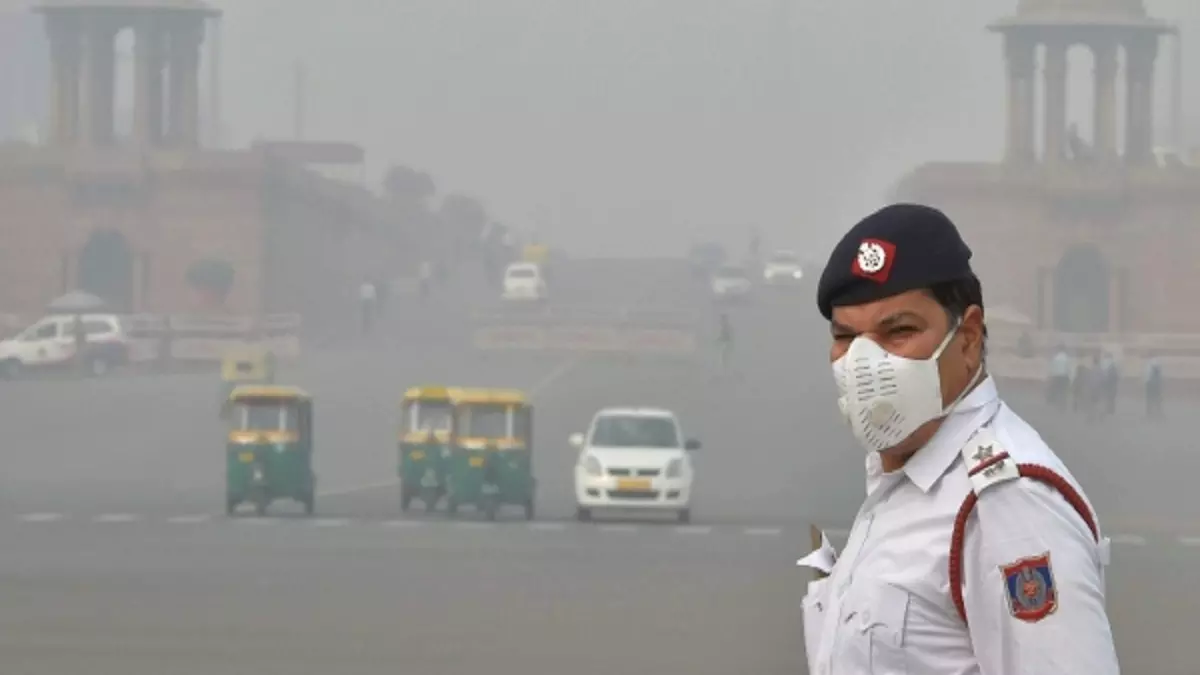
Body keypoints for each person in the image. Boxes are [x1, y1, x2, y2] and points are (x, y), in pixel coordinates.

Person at [802, 203, 1116, 674]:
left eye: (899, 331)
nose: (864, 364)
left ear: (967, 338)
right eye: (847, 338)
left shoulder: (1008, 504)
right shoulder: (906, 477)